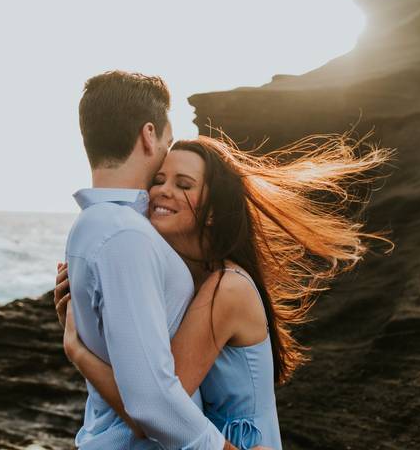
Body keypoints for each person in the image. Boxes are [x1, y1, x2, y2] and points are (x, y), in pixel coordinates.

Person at [56, 118, 392, 449]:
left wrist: (77, 349)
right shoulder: (192, 280)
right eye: (158, 180)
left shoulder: (224, 290)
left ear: (213, 211)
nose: (162, 191)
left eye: (183, 185)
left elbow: (151, 412)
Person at [63, 70, 259, 450]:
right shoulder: (125, 234)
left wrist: (77, 349)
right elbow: (151, 399)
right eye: (169, 143)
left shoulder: (96, 226)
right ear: (148, 135)